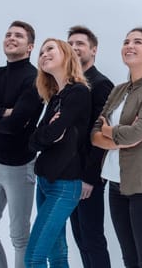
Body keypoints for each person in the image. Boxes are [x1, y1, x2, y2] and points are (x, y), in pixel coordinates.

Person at [92, 27, 142, 268]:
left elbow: (135, 133)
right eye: (126, 41)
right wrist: (115, 136)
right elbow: (94, 134)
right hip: (117, 182)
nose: (129, 46)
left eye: (137, 42)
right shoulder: (118, 90)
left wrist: (108, 131)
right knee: (129, 257)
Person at [25, 38, 92, 267]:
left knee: (33, 258)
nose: (44, 54)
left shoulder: (79, 92)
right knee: (57, 254)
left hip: (64, 184)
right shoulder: (55, 98)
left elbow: (51, 133)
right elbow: (34, 141)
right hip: (44, 181)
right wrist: (48, 133)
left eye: (50, 49)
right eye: (41, 51)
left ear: (66, 54)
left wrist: (48, 133)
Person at [0, 21, 44, 268]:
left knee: (19, 236)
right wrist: (2, 112)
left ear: (29, 46)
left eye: (18, 36)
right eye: (8, 34)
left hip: (19, 166)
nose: (11, 38)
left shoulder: (35, 79)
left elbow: (16, 124)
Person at [67, 26, 114, 268]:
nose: (74, 48)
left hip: (88, 177)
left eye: (80, 44)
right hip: (70, 175)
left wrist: (90, 177)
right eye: (71, 43)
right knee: (80, 238)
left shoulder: (101, 84)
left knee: (92, 238)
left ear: (93, 50)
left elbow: (101, 138)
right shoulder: (71, 84)